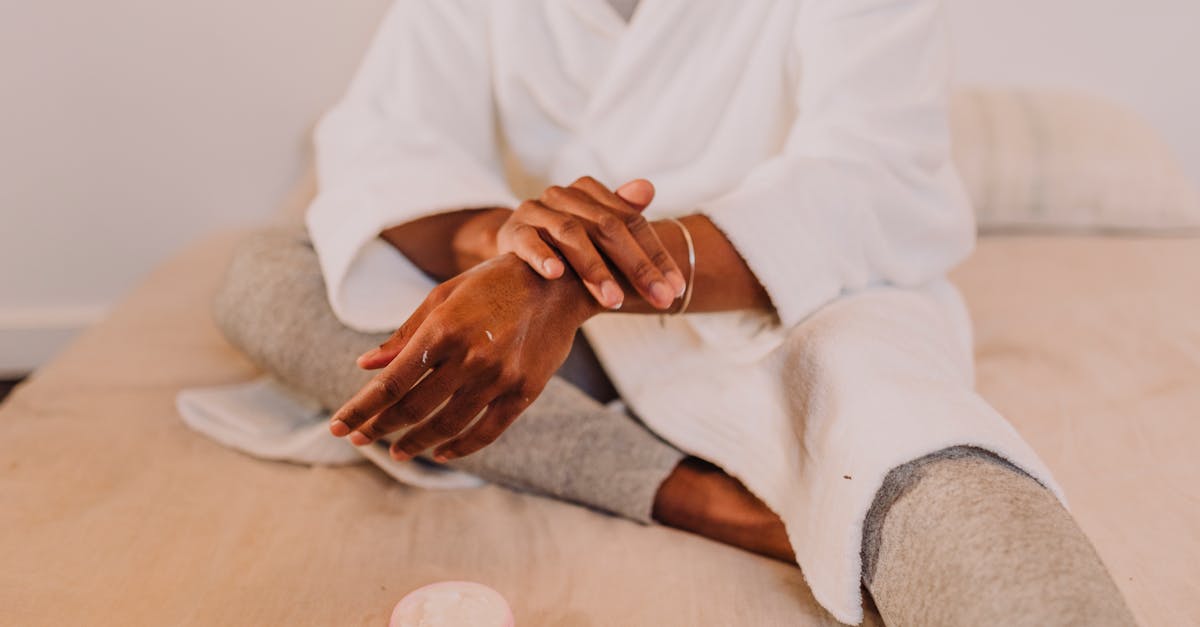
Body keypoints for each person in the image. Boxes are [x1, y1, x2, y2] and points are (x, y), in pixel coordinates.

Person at [214, 1, 1136, 624]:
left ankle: (841, 494)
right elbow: (387, 142)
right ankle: (703, 497)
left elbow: (873, 180)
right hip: (544, 330)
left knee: (916, 446)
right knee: (270, 274)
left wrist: (573, 280)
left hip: (786, 304)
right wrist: (517, 248)